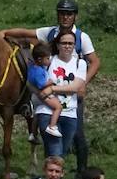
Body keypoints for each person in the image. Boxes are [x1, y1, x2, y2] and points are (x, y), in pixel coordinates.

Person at [5, 0, 102, 169]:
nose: (65, 17)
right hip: (50, 90)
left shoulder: (82, 37)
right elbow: (25, 33)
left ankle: (81, 170)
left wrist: (83, 83)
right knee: (50, 133)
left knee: (77, 133)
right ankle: (51, 169)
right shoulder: (50, 33)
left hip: (71, 90)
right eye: (62, 13)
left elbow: (94, 62)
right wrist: (4, 32)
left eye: (69, 14)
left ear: (75, 17)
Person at [33, 29, 87, 159]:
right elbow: (34, 77)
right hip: (47, 112)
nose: (67, 46)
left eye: (71, 43)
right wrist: (38, 92)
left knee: (61, 154)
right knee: (56, 153)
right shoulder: (49, 61)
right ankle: (53, 177)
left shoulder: (80, 63)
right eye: (64, 43)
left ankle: (48, 177)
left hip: (70, 113)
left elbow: (75, 87)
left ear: (74, 45)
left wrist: (52, 89)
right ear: (57, 45)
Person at [25, 42, 64, 139]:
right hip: (43, 95)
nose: (49, 60)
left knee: (37, 113)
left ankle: (33, 134)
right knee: (58, 107)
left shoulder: (33, 67)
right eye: (47, 58)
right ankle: (52, 126)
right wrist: (51, 82)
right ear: (39, 59)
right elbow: (41, 84)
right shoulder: (38, 71)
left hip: (35, 96)